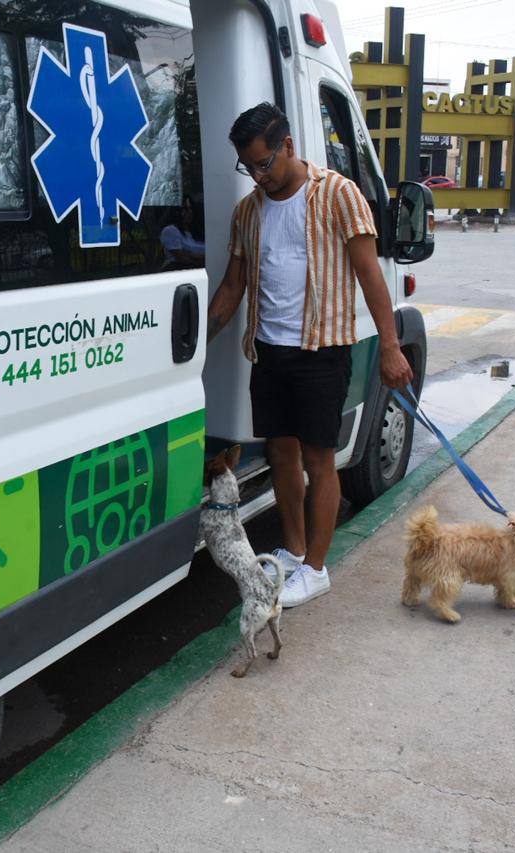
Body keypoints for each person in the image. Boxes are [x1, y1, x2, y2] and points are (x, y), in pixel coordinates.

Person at [206, 102, 413, 608]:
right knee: (281, 453)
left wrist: (390, 346)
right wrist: (193, 347)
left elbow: (371, 276)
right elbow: (233, 286)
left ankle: (316, 570)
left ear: (288, 145)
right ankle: (296, 551)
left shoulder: (338, 194)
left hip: (322, 352)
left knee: (320, 459)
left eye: (263, 163)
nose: (258, 176)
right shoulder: (249, 211)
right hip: (269, 351)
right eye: (248, 167)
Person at [160, 194, 205, 267]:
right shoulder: (170, 230)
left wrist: (191, 254)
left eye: (191, 208)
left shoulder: (196, 232)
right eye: (186, 209)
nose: (190, 212)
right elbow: (181, 257)